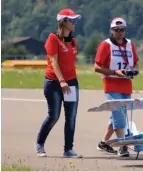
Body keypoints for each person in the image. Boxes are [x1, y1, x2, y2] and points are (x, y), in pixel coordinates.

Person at [35, 8, 82, 158]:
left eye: (75, 20)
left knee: (71, 116)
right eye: (72, 20)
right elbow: (54, 62)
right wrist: (62, 81)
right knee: (54, 115)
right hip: (54, 83)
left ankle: (68, 149)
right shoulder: (52, 38)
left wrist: (68, 80)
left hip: (71, 83)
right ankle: (40, 143)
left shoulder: (73, 41)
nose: (75, 23)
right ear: (63, 22)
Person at [94, 17, 139, 157]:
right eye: (116, 30)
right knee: (119, 115)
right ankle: (123, 146)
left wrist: (134, 71)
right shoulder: (105, 45)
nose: (119, 32)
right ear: (112, 30)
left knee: (118, 115)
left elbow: (136, 62)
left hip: (126, 84)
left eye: (122, 30)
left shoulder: (130, 44)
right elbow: (96, 67)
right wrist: (114, 72)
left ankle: (104, 142)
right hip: (112, 84)